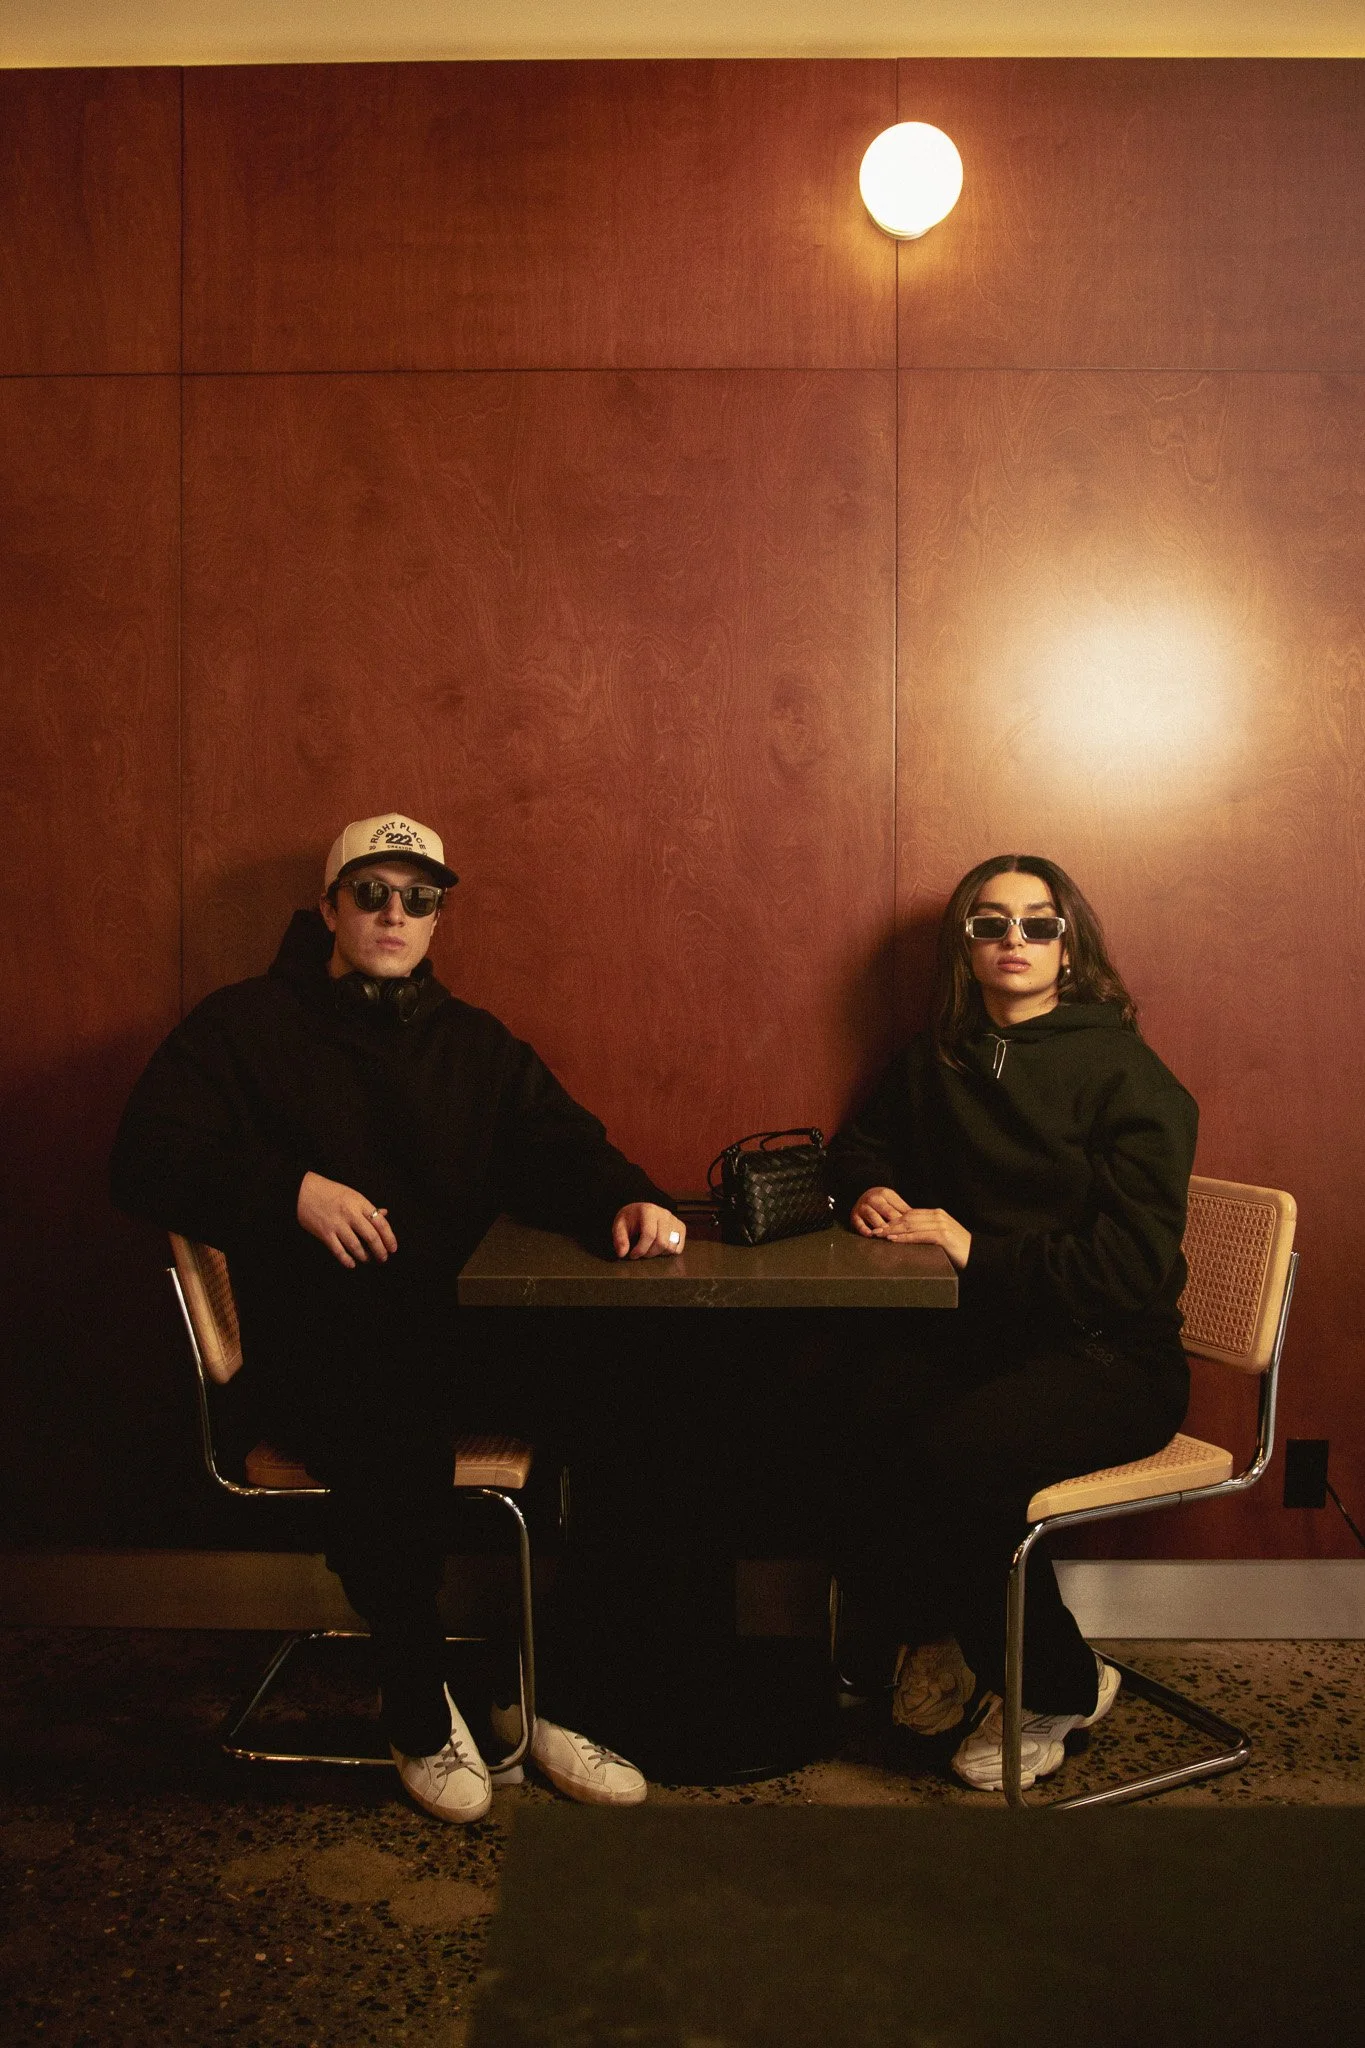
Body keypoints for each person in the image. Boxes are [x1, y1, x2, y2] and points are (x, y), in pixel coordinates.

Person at [112, 812, 688, 1823]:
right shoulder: (242, 1027)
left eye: (417, 898)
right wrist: (290, 1188)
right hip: (311, 1348)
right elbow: (143, 1155)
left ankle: (546, 1690)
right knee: (390, 1400)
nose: (393, 912)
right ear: (330, 907)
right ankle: (416, 1699)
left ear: (437, 918)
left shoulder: (471, 1041)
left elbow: (557, 1139)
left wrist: (624, 1195)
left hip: (450, 1329)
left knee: (643, 1396)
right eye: (371, 892)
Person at [826, 853, 1197, 1792]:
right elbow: (862, 1144)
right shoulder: (939, 1056)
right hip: (996, 1343)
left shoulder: (1124, 1073)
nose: (1014, 941)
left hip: (1114, 1356)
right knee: (853, 1400)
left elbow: (1125, 1270)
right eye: (990, 924)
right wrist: (869, 1185)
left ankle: (1056, 1686)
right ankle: (945, 1633)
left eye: (1037, 923)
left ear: (1069, 946)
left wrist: (969, 1245)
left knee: (954, 1457)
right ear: (966, 945)